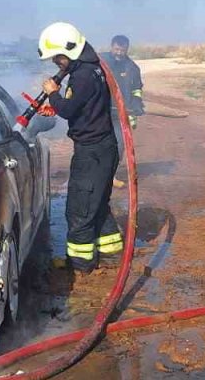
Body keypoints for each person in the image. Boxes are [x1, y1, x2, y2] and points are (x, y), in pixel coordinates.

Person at [38, 22, 123, 273]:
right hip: (103, 148)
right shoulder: (92, 68)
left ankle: (79, 264)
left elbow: (67, 109)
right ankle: (110, 252)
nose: (56, 62)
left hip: (92, 152)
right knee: (97, 204)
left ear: (70, 51)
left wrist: (54, 94)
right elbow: (84, 106)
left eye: (58, 57)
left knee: (79, 209)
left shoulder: (83, 76)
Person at [104, 34, 144, 188]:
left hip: (121, 113)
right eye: (116, 49)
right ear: (111, 47)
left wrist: (137, 102)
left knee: (120, 144)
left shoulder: (132, 68)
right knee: (101, 143)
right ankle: (100, 173)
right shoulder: (101, 62)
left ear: (127, 50)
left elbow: (136, 88)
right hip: (101, 111)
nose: (119, 53)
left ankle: (111, 175)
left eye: (122, 50)